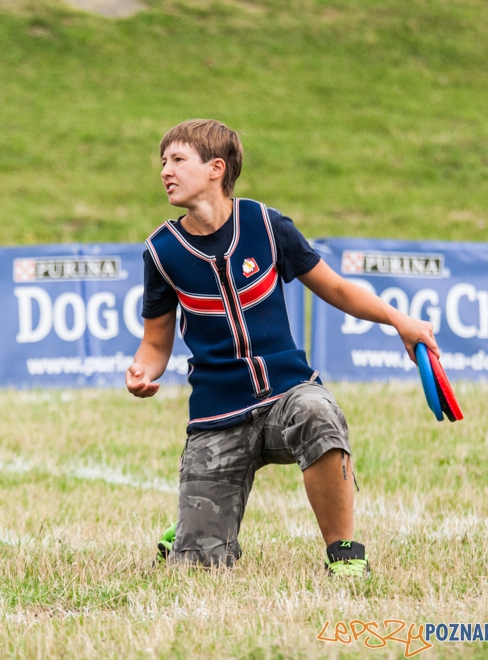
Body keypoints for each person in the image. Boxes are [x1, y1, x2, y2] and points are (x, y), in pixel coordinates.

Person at [126, 119, 439, 575]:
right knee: (197, 571)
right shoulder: (161, 251)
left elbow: (336, 289)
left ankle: (344, 555)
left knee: (318, 412)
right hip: (217, 418)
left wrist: (398, 320)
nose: (165, 171)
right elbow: (155, 342)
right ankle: (192, 527)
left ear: (216, 168)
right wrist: (142, 372)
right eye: (163, 162)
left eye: (177, 160)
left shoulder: (267, 225)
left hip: (286, 394)